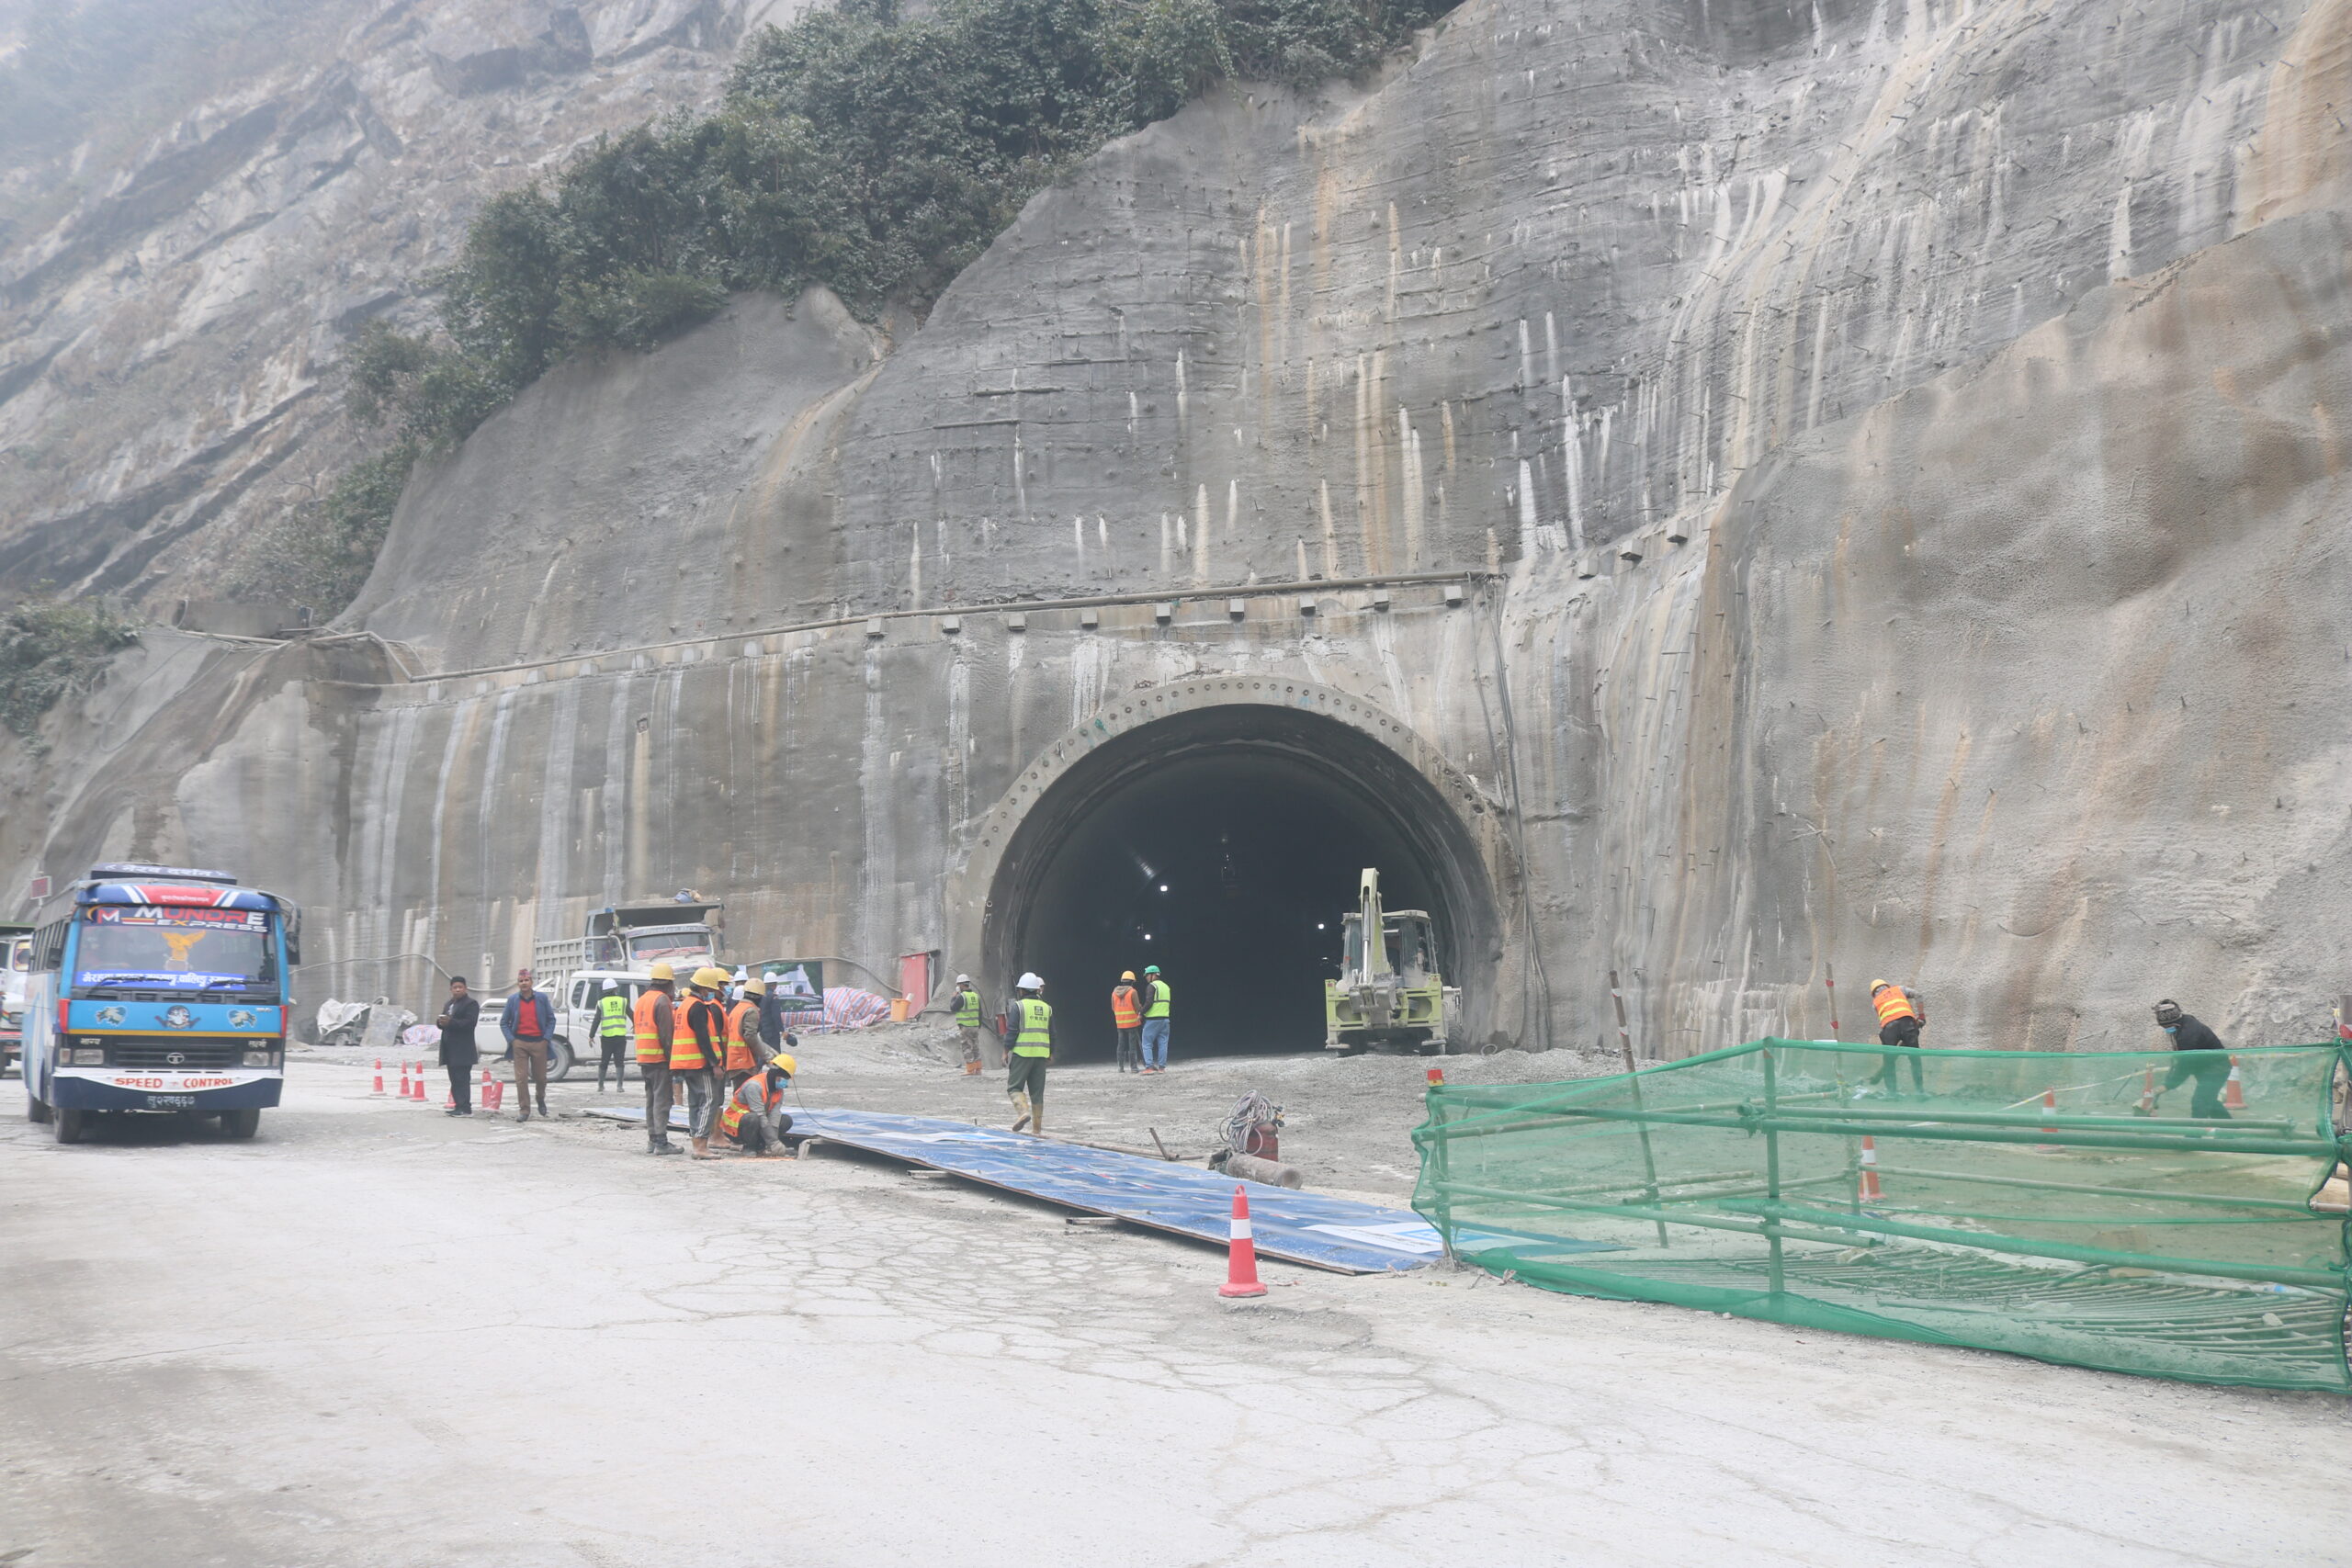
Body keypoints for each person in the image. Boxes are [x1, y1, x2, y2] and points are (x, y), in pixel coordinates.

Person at [677, 965, 731, 1159]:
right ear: (703, 989)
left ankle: (697, 1143)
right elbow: (703, 1038)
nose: (712, 993)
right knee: (710, 1101)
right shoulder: (698, 1006)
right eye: (711, 989)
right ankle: (701, 1145)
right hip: (700, 1064)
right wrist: (715, 1064)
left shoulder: (685, 1004)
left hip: (687, 1063)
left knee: (695, 1103)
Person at [633, 962, 681, 1155]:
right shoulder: (661, 1001)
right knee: (662, 1100)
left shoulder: (643, 999)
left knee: (651, 1099)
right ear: (668, 983)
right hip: (659, 1058)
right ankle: (661, 1142)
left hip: (644, 1056)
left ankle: (653, 1139)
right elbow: (666, 1036)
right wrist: (673, 1061)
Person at [2155, 999, 2232, 1119]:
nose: (2165, 1029)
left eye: (2166, 1026)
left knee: (2199, 1103)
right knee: (2209, 1101)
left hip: (2216, 1069)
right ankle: (2230, 1131)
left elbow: (2185, 1065)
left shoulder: (2187, 1036)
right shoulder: (2184, 1022)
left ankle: (2194, 1136)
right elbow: (2181, 1060)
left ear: (2172, 1023)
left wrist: (2169, 1085)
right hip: (2206, 1067)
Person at [503, 968, 556, 1122]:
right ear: (518, 984)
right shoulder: (513, 1000)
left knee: (541, 1078)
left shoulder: (541, 999)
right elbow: (504, 1022)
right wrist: (512, 1040)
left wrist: (546, 1038)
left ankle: (540, 1098)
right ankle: (524, 1110)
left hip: (539, 1042)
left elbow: (551, 1019)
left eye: (526, 980)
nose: (524, 983)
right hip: (519, 1043)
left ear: (531, 982)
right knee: (521, 1078)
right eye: (521, 981)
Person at [721, 1052, 797, 1156]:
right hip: (736, 1126)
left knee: (785, 1120)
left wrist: (774, 1142)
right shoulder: (754, 1086)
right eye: (785, 1077)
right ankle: (749, 1147)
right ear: (776, 1074)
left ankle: (762, 1147)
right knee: (754, 1118)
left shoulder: (778, 1089)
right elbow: (760, 1115)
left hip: (757, 1123)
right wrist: (773, 1142)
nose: (785, 1082)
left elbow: (775, 1115)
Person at [1007, 971, 1052, 1134]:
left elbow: (1012, 1031)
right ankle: (1037, 1130)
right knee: (1037, 1094)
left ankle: (1023, 1112)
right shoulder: (1047, 1008)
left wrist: (1006, 1051)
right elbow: (1052, 1033)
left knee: (1014, 1087)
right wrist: (1051, 1053)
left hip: (1022, 1054)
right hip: (1041, 1056)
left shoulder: (1018, 1007)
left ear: (1022, 990)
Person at [1868, 978, 1926, 1095]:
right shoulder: (1899, 989)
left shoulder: (1875, 1002)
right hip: (1908, 1024)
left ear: (1874, 993)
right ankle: (1920, 1092)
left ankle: (1892, 1093)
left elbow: (1885, 1017)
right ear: (1887, 986)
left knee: (1889, 1062)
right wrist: (1921, 1017)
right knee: (1915, 1059)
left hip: (1889, 1029)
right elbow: (1918, 995)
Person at [435, 976, 480, 1117]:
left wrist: (451, 1022)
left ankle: (466, 1108)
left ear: (465, 988)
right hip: (450, 1048)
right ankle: (458, 1105)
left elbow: (470, 1023)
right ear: (451, 989)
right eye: (455, 988)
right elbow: (444, 1023)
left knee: (462, 1078)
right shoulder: (449, 1004)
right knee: (454, 1078)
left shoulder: (471, 1004)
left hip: (463, 1049)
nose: (458, 990)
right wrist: (440, 1022)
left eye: (460, 987)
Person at [722, 977, 764, 1098]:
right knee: (744, 1096)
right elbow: (751, 1036)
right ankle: (739, 1117)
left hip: (734, 1059)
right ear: (758, 997)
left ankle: (737, 1116)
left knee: (739, 1093)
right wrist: (766, 1054)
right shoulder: (751, 1010)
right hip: (744, 1060)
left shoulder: (738, 1008)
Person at [594, 979, 631, 1091]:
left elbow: (596, 1020)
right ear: (615, 989)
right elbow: (631, 1013)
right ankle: (619, 1086)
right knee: (619, 1061)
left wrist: (591, 1035)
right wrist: (636, 1025)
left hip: (607, 1037)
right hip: (620, 1036)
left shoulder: (601, 1003)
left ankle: (600, 1086)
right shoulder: (622, 1001)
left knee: (604, 1061)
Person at [1138, 964, 1171, 1074]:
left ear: (1153, 975)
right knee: (1163, 1044)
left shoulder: (1152, 986)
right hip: (1165, 1020)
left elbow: (1149, 1002)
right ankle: (1162, 1068)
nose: (1146, 978)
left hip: (1153, 1020)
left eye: (1147, 975)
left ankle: (1149, 1067)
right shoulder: (1166, 987)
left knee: (1147, 1043)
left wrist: (1141, 1012)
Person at [951, 975, 984, 1076]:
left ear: (961, 985)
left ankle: (970, 1069)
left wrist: (953, 998)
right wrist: (978, 1025)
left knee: (967, 1047)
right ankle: (978, 1069)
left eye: (958, 985)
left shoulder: (962, 997)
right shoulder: (975, 996)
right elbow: (980, 1012)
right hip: (975, 1026)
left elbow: (953, 1008)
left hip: (965, 1026)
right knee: (975, 1047)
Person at [1111, 971, 1143, 1074]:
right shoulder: (1132, 992)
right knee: (1132, 1045)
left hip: (1120, 1023)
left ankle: (1120, 1067)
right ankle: (1133, 1067)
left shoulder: (1114, 992)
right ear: (1132, 982)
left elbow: (1113, 1007)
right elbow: (1137, 1007)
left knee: (1121, 1044)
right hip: (1132, 1023)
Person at [758, 970, 787, 1053]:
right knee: (776, 1054)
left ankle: (758, 1065)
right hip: (772, 1030)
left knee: (765, 1052)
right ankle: (758, 1065)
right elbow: (776, 1016)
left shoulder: (761, 996)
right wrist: (782, 1030)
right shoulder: (774, 997)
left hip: (763, 1029)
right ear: (775, 985)